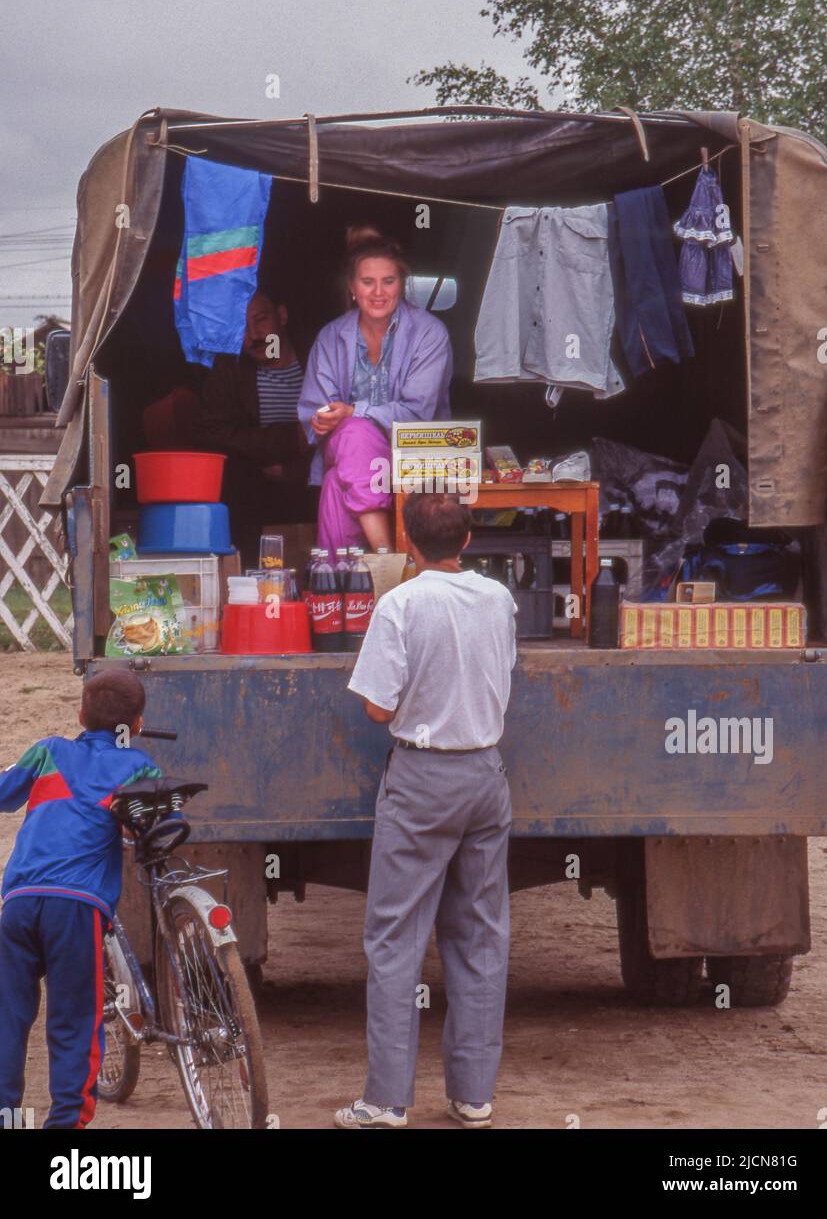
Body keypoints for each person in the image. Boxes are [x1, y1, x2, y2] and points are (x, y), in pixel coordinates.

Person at [336, 491, 517, 1130]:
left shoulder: (401, 604)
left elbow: (379, 710)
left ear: (407, 543)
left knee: (394, 939)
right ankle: (473, 1096)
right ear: (467, 541)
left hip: (422, 777)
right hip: (486, 774)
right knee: (479, 935)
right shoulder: (498, 599)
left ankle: (386, 1101)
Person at [0, 671, 162, 1129]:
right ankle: (65, 1125)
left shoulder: (48, 750)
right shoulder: (139, 765)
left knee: (9, 1017)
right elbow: (152, 825)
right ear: (137, 723)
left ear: (80, 716)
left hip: (18, 901)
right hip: (76, 907)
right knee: (74, 1022)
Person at [298, 226, 452, 558]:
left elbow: (417, 413)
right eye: (367, 282)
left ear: (402, 285)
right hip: (348, 449)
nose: (378, 292)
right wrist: (322, 420)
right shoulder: (330, 337)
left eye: (389, 281)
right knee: (352, 435)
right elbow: (314, 410)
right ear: (352, 288)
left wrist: (355, 412)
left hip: (415, 455)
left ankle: (342, 593)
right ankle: (391, 563)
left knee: (334, 487)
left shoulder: (429, 333)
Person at [196, 290, 312, 565]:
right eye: (242, 327)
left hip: (309, 477)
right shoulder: (230, 367)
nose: (254, 334)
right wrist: (286, 440)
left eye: (260, 320)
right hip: (254, 481)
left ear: (281, 316)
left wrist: (293, 470)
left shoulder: (315, 356)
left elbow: (334, 428)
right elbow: (215, 431)